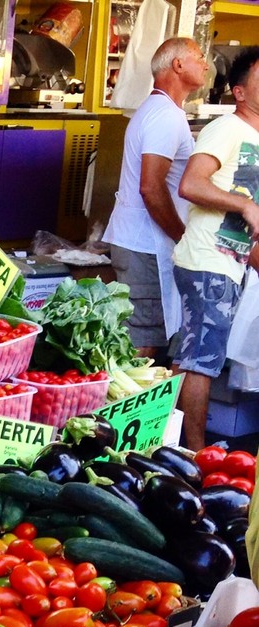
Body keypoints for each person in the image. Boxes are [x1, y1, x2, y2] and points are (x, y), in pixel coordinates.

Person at [172, 45, 259, 451]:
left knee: (192, 359)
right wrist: (244, 205)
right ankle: (195, 455)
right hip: (207, 261)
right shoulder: (227, 129)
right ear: (239, 92)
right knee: (201, 362)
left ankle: (170, 445)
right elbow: (191, 184)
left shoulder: (252, 137)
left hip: (227, 264)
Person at [104, 36, 207, 362]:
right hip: (145, 244)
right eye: (199, 57)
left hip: (141, 241)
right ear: (178, 64)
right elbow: (151, 187)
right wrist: (182, 236)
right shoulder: (165, 116)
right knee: (144, 340)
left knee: (148, 335)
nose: (205, 65)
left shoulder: (162, 111)